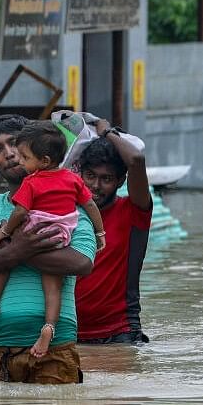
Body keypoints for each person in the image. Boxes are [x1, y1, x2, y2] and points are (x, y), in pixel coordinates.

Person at [0, 115, 97, 384]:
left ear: (36, 148)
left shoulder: (68, 200)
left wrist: (12, 247)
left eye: (14, 143)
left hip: (55, 346)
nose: (10, 154)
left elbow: (82, 263)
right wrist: (11, 253)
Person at [0, 121, 106, 357]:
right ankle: (49, 327)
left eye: (24, 156)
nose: (17, 159)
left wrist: (6, 237)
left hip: (33, 228)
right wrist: (100, 233)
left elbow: (20, 212)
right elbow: (90, 204)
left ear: (43, 161)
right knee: (52, 287)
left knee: (3, 264)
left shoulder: (32, 182)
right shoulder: (72, 179)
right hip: (60, 234)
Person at [71, 119, 154, 344]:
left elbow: (136, 160)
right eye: (90, 176)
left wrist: (106, 131)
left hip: (119, 332)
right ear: (80, 175)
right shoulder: (67, 215)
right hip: (68, 332)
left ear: (120, 181)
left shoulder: (133, 212)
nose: (96, 186)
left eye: (106, 179)